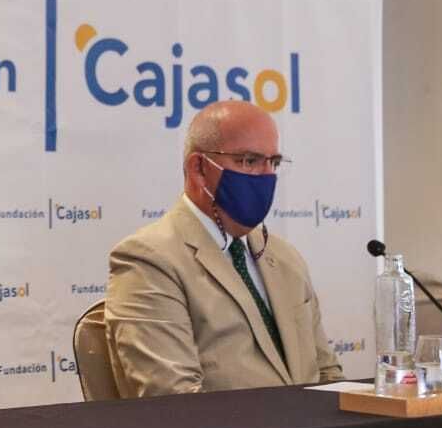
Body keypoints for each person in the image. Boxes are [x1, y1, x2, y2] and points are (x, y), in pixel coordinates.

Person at [104, 100, 343, 396]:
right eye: (249, 161)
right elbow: (172, 400)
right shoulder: (148, 260)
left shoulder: (284, 257)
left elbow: (327, 373)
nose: (266, 176)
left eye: (274, 162)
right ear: (199, 168)